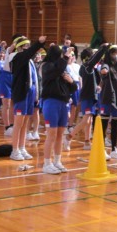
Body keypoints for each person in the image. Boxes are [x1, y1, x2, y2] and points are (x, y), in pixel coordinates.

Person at [41, 42, 77, 174]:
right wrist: (66, 57)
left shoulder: (62, 69)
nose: (62, 57)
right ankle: (47, 163)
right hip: (51, 103)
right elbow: (56, 71)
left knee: (60, 134)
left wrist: (71, 82)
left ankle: (57, 161)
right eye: (61, 55)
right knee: (51, 134)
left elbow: (73, 88)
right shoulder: (47, 66)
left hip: (63, 103)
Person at [9, 36, 45, 161]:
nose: (27, 48)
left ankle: (22, 147)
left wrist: (36, 95)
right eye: (25, 46)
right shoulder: (17, 57)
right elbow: (28, 53)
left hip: (30, 93)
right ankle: (14, 150)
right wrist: (39, 43)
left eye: (28, 46)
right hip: (21, 93)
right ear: (19, 48)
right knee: (18, 123)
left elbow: (34, 79)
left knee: (25, 123)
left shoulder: (30, 61)